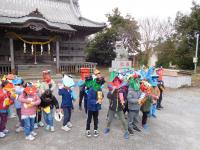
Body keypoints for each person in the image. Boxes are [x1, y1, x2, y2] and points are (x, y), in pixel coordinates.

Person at [104, 73, 129, 139]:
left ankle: (126, 131)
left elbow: (126, 99)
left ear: (120, 83)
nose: (116, 83)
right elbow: (108, 96)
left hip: (119, 109)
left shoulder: (122, 91)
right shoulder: (112, 90)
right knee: (109, 120)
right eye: (115, 82)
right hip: (112, 108)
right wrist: (112, 90)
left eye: (117, 82)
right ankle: (108, 128)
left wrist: (123, 102)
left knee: (123, 120)